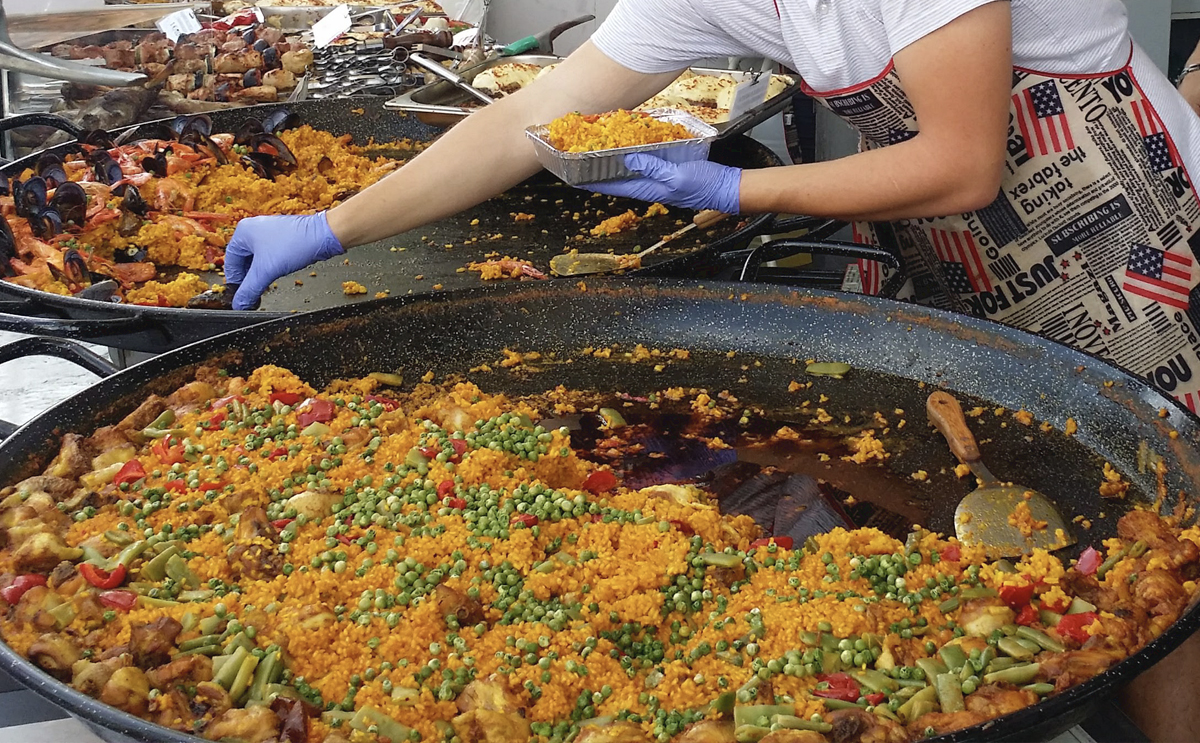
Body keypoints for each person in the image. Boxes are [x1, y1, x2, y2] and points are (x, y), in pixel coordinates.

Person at [228, 1, 1200, 410]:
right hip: (956, 245)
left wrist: (731, 186)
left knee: (1168, 519)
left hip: (1120, 220)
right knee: (1036, 506)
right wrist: (330, 225)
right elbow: (527, 115)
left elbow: (961, 159)